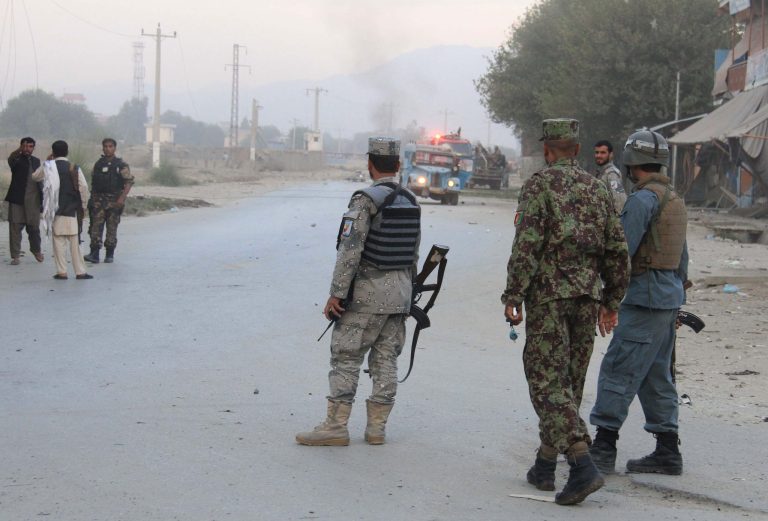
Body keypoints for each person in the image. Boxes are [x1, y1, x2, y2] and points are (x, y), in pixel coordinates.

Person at [502, 119, 629, 505]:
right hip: (587, 298)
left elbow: (527, 244)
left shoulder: (539, 186)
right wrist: (611, 301)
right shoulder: (599, 188)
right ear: (576, 150)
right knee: (569, 381)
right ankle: (544, 463)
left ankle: (580, 462)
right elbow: (617, 250)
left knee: (545, 379)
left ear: (547, 150)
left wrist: (514, 294)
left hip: (549, 297)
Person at [296, 137, 421, 447]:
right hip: (400, 297)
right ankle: (377, 429)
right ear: (398, 164)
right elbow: (413, 253)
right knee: (386, 361)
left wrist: (337, 294)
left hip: (366, 297)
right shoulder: (411, 200)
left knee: (346, 357)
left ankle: (336, 427)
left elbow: (349, 251)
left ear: (369, 164)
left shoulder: (365, 200)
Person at [589, 130, 688, 476]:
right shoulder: (673, 198)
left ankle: (603, 446)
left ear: (631, 162)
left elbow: (621, 254)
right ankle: (667, 450)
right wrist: (679, 303)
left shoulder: (643, 200)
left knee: (619, 368)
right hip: (666, 301)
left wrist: (608, 299)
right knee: (655, 376)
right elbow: (682, 259)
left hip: (643, 300)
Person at [31, 140, 93, 280]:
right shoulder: (73, 167)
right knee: (75, 242)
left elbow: (35, 177)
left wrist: (47, 161)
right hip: (71, 210)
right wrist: (83, 206)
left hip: (54, 212)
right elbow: (83, 187)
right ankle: (80, 272)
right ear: (67, 151)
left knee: (58, 241)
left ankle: (62, 272)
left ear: (53, 152)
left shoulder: (48, 166)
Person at [84, 138, 133, 264]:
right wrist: (91, 200)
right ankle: (94, 254)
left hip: (114, 201)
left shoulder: (121, 165)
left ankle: (109, 254)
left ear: (115, 148)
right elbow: (94, 183)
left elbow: (128, 182)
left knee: (111, 228)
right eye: (105, 146)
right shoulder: (98, 164)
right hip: (98, 201)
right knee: (95, 228)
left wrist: (121, 199)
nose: (107, 149)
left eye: (110, 146)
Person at [5, 137, 43, 265]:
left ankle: (36, 250)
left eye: (30, 146)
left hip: (33, 200)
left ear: (33, 148)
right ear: (21, 147)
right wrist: (18, 150)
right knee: (15, 227)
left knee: (34, 228)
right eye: (25, 146)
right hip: (17, 199)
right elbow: (10, 158)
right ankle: (15, 256)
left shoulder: (37, 161)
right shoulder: (15, 160)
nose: (27, 149)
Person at [593, 140, 627, 213]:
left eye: (603, 153)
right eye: (597, 152)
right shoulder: (603, 172)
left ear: (611, 154)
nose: (599, 155)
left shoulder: (612, 174)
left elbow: (620, 198)